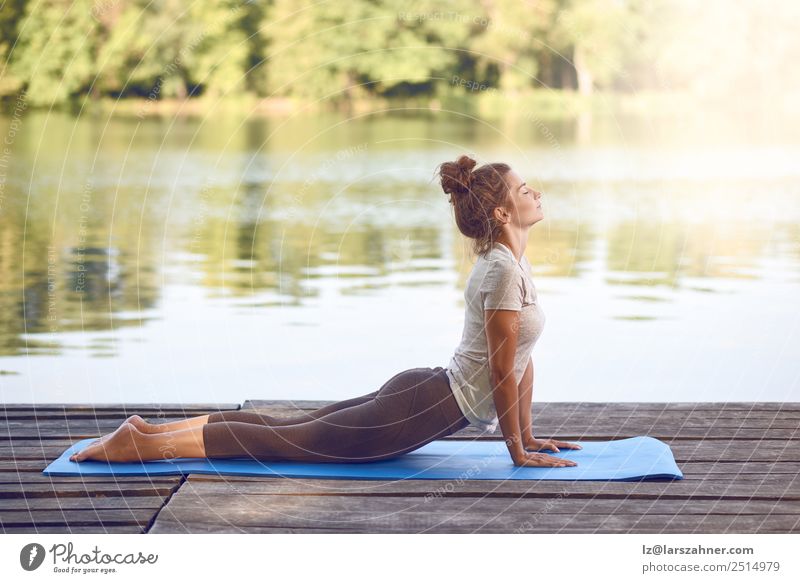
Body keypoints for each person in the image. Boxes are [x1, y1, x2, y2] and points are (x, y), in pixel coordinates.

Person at [70, 155, 580, 468]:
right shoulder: (503, 271)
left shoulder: (513, 263)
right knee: (287, 442)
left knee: (286, 428)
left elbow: (519, 358)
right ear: (502, 213)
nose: (536, 192)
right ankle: (137, 447)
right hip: (424, 404)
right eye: (523, 189)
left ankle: (145, 433)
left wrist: (528, 436)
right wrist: (516, 451)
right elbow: (499, 369)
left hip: (423, 393)